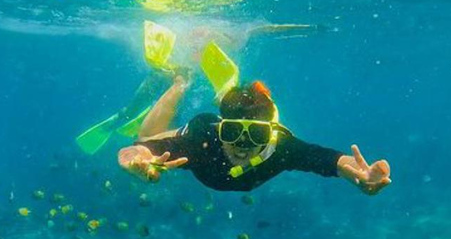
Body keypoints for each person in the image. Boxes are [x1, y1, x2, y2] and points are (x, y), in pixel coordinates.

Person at [117, 76, 391, 194]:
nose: (242, 144)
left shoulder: (281, 147)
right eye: (233, 131)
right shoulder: (203, 138)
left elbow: (325, 159)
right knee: (144, 137)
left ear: (269, 134)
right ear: (220, 128)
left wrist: (359, 175)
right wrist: (136, 158)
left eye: (257, 134)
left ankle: (238, 94)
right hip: (202, 125)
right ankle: (181, 80)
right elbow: (143, 149)